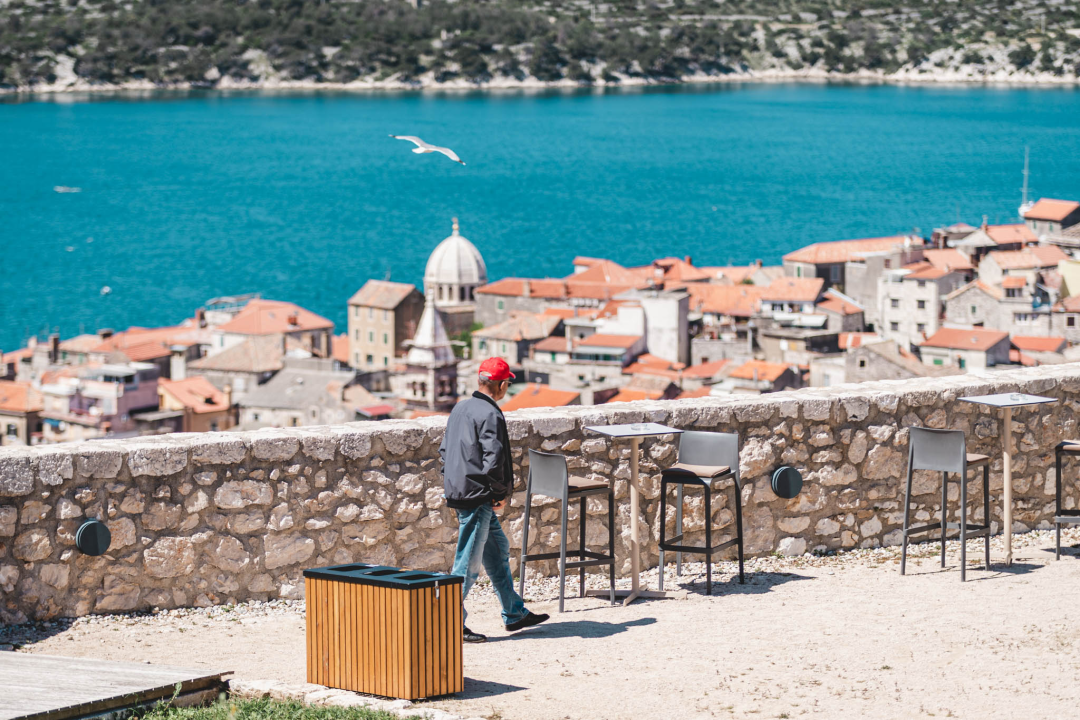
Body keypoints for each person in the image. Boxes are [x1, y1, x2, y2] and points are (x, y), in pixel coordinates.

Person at [440, 356, 549, 643]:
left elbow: (444, 450)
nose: (506, 388)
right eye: (507, 384)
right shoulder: (490, 413)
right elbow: (494, 457)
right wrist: (498, 494)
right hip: (478, 494)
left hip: (460, 489)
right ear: (500, 385)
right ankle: (448, 622)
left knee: (497, 547)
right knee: (468, 563)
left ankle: (514, 612)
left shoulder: (460, 408)